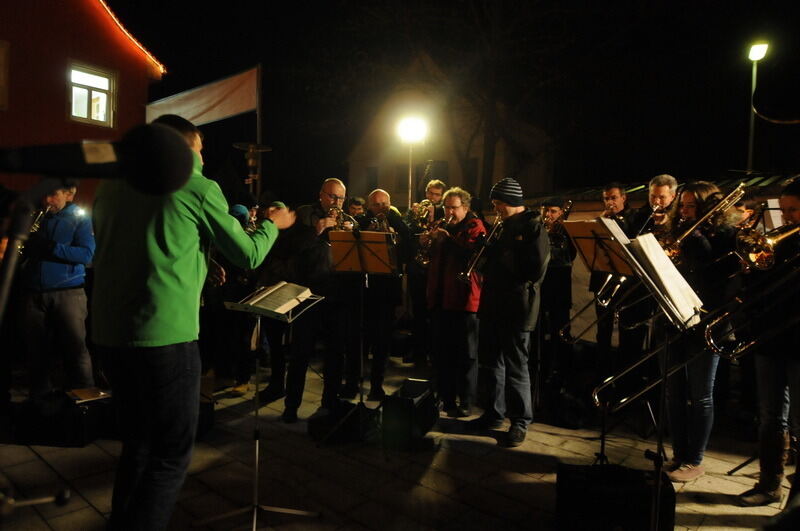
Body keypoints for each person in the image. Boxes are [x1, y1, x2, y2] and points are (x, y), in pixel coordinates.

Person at [91, 114, 294, 530]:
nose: (203, 155)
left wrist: (201, 261)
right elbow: (249, 255)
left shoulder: (112, 185)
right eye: (199, 146)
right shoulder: (195, 185)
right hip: (166, 337)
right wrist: (274, 225)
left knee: (137, 446)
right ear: (183, 146)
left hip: (110, 334)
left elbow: (146, 244)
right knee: (170, 455)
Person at [260, 178, 358, 421]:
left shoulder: (348, 220)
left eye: (341, 198)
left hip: (336, 294)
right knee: (300, 353)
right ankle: (291, 406)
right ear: (322, 195)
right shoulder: (304, 215)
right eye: (333, 197)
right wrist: (316, 231)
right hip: (307, 293)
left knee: (335, 353)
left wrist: (351, 236)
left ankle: (328, 403)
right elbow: (286, 248)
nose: (337, 202)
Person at [663, 181, 740, 482]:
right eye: (682, 205)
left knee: (700, 395)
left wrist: (696, 241)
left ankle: (695, 460)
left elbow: (721, 278)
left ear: (708, 207)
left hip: (710, 322)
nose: (684, 211)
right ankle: (679, 454)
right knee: (674, 392)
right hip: (676, 318)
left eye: (691, 205)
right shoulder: (678, 233)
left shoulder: (727, 235)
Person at [468, 177, 550, 447]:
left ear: (511, 202)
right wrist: (485, 252)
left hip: (517, 307)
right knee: (491, 363)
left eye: (498, 203)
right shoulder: (502, 227)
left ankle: (520, 422)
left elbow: (534, 269)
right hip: (493, 303)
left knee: (516, 367)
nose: (496, 209)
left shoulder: (533, 226)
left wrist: (503, 254)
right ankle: (493, 413)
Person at [737, 179, 800, 506]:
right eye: (785, 210)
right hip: (771, 338)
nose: (788, 217)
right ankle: (769, 484)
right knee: (770, 416)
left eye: (794, 210)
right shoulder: (780, 243)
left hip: (798, 343)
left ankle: (797, 500)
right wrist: (749, 270)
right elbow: (759, 290)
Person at [20, 185, 95, 399]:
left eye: (53, 194)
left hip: (68, 293)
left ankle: (85, 402)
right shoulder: (37, 217)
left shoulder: (80, 218)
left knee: (75, 351)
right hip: (33, 292)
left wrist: (51, 247)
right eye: (44, 194)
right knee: (36, 352)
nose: (47, 200)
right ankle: (40, 403)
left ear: (69, 195)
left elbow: (86, 254)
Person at [424, 187, 485, 417]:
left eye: (454, 208)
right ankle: (446, 398)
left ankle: (467, 401)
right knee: (443, 352)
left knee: (467, 355)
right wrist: (427, 242)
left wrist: (447, 240)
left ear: (466, 208)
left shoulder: (474, 226)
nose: (449, 212)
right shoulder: (442, 225)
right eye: (447, 207)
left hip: (464, 300)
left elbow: (473, 257)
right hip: (440, 297)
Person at [357, 189, 409, 400]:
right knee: (361, 339)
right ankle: (355, 381)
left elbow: (408, 247)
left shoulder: (396, 221)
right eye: (376, 205)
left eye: (384, 205)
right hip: (365, 289)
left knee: (382, 342)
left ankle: (376, 385)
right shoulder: (361, 221)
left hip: (387, 290)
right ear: (369, 206)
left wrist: (393, 219)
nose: (380, 209)